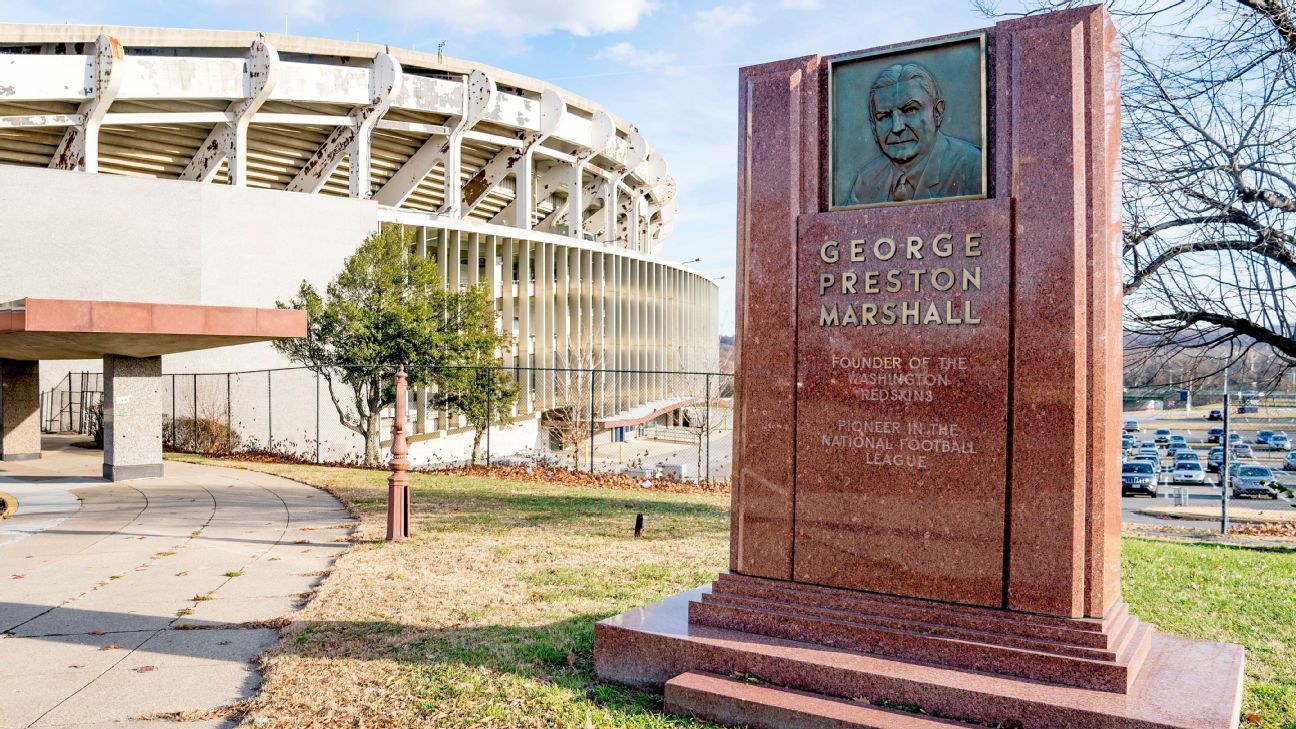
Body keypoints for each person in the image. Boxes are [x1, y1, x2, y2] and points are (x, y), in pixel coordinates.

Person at [847, 62, 981, 206]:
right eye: (884, 116)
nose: (896, 128)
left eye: (909, 110)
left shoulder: (974, 167)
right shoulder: (866, 182)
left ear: (937, 113)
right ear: (873, 128)